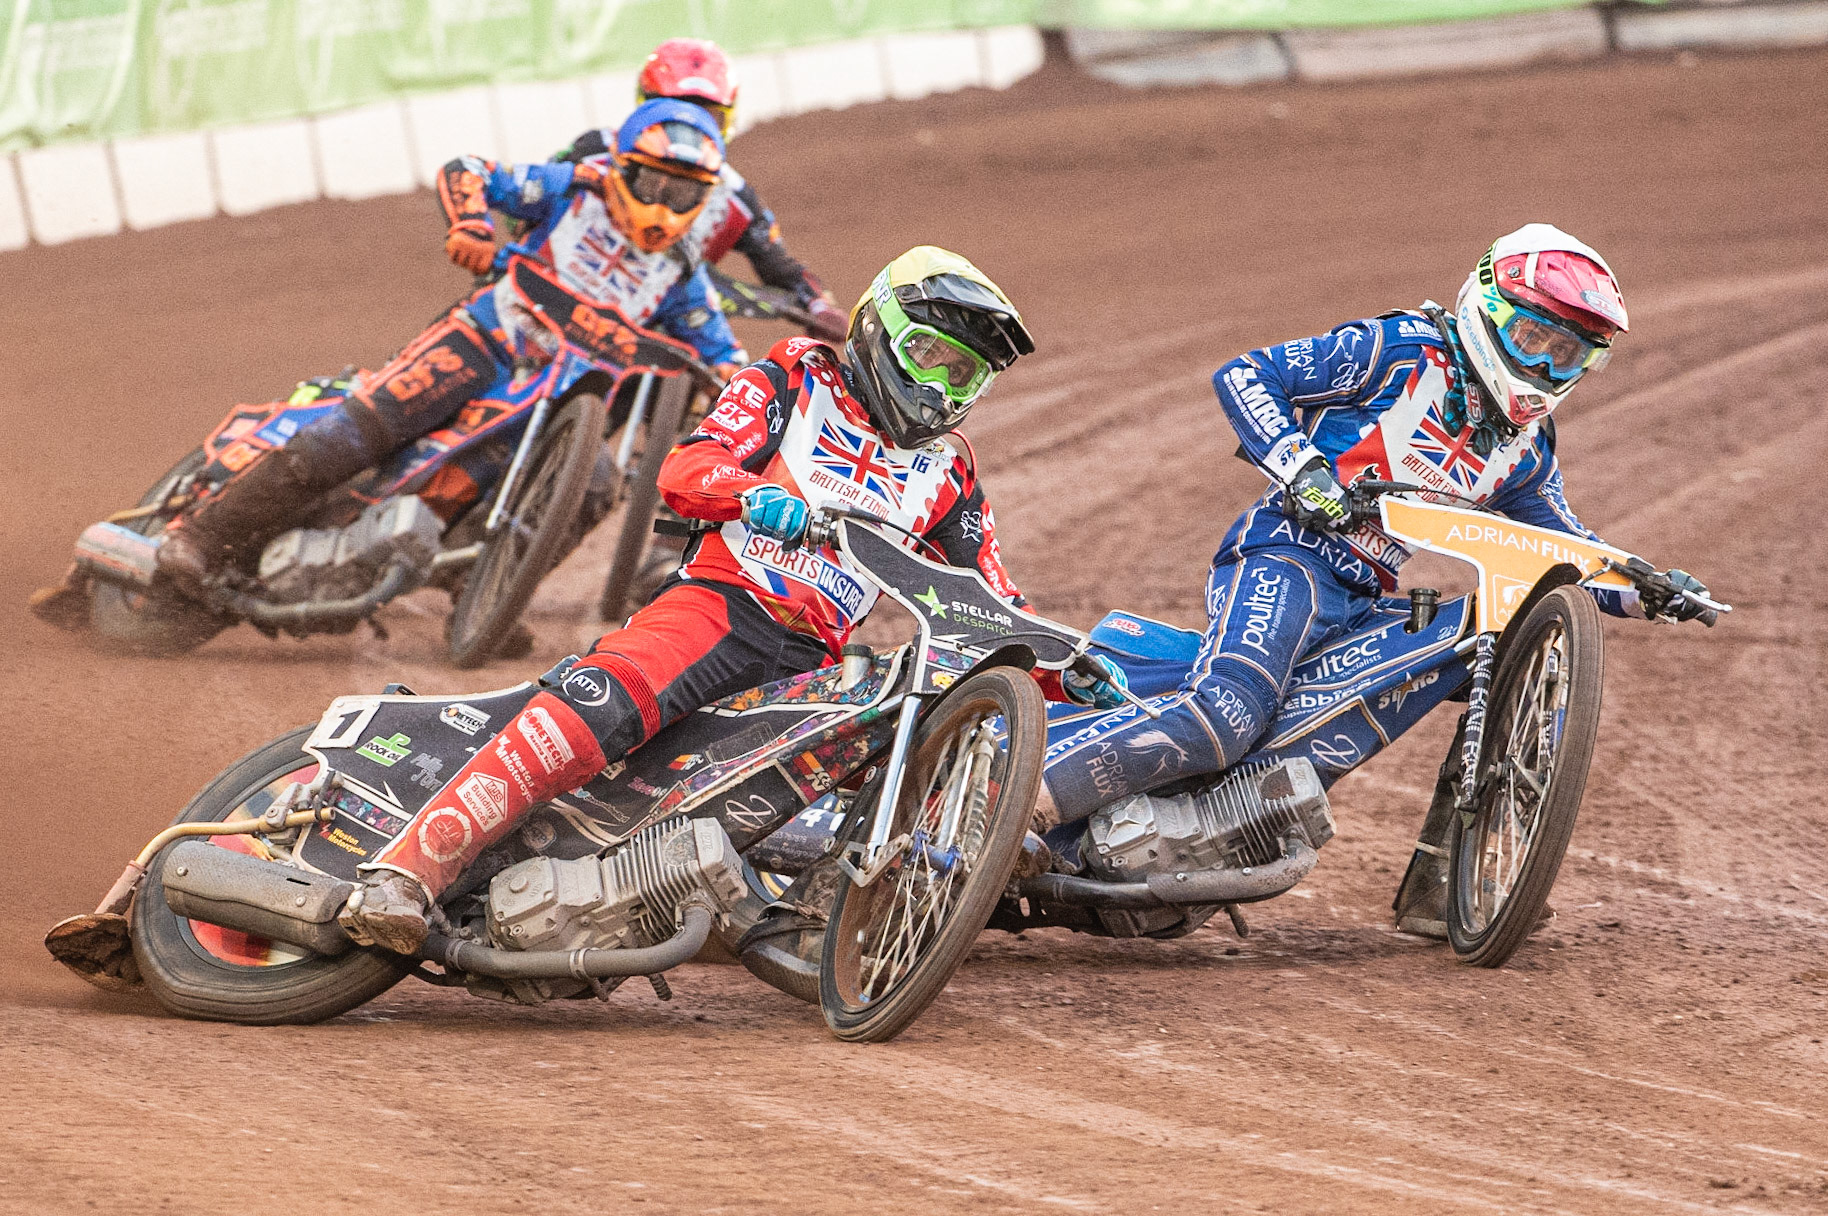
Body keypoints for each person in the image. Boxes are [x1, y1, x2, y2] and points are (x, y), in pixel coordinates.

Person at [338, 245, 1124, 953]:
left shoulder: (951, 473)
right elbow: (687, 467)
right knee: (599, 709)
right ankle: (406, 871)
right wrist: (753, 497)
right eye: (929, 356)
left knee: (910, 732)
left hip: (813, 662)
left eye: (964, 374)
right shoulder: (795, 378)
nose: (942, 385)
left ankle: (835, 919)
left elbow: (987, 601)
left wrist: (1058, 663)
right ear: (879, 330)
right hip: (720, 603)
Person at [1035, 224, 1712, 860]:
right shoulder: (1400, 348)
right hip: (1287, 554)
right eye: (1534, 337)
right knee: (1227, 714)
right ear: (1489, 309)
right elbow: (1246, 374)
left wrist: (1649, 589)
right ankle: (1015, 803)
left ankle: (1456, 869)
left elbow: (1562, 554)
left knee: (1495, 633)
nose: (1543, 365)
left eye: (1567, 355)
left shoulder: (1526, 449)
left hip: (1365, 595)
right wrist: (1303, 470)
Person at [152, 98, 746, 597]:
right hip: (480, 342)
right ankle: (202, 536)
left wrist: (735, 385)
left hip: (552, 399)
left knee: (594, 483)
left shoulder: (681, 269)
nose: (664, 205)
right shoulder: (572, 189)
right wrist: (472, 225)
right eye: (654, 183)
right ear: (623, 167)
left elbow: (721, 349)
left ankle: (482, 590)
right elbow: (471, 170)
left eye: (684, 193)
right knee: (357, 432)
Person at [554, 37, 851, 344]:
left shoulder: (737, 200)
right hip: (559, 289)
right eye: (673, 109)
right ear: (646, 104)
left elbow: (781, 267)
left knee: (712, 368)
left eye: (709, 116)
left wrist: (819, 306)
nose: (691, 128)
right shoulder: (597, 149)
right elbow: (528, 205)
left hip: (656, 326)